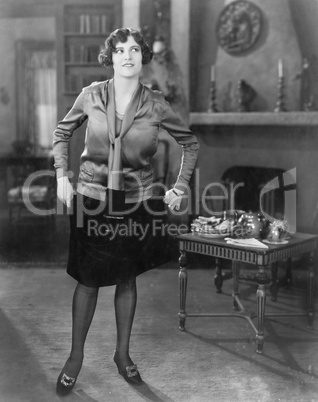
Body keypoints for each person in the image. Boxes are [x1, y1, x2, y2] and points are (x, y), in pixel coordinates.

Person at [53, 27, 199, 396]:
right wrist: (61, 176)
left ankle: (122, 355)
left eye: (134, 49)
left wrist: (179, 186)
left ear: (143, 57)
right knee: (88, 281)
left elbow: (190, 143)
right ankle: (75, 358)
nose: (127, 55)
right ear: (111, 58)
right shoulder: (90, 96)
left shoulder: (156, 103)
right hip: (91, 198)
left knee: (127, 278)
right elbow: (61, 133)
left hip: (136, 202)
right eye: (120, 50)